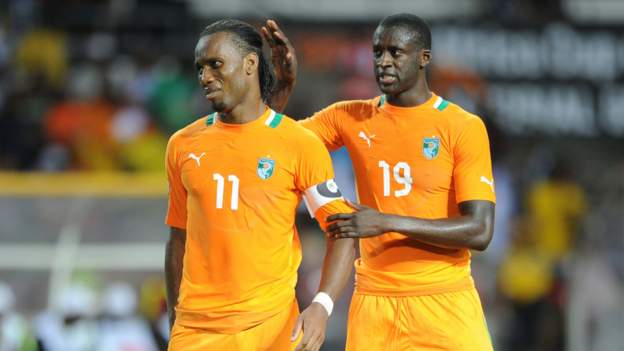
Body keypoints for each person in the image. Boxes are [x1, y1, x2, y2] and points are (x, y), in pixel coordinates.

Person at [264, 13, 496, 350]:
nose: (383, 62)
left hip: (445, 299)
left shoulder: (462, 126)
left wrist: (385, 222)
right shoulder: (349, 116)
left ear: (423, 58)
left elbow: (480, 231)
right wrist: (281, 90)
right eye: (377, 52)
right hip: (374, 302)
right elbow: (270, 147)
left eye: (395, 53)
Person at [164, 19, 356, 351]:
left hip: (271, 328)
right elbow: (177, 238)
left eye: (216, 64)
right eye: (200, 68)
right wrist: (175, 319)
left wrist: (322, 306)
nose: (205, 76)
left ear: (250, 64)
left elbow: (341, 230)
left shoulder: (299, 143)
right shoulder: (183, 145)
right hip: (196, 331)